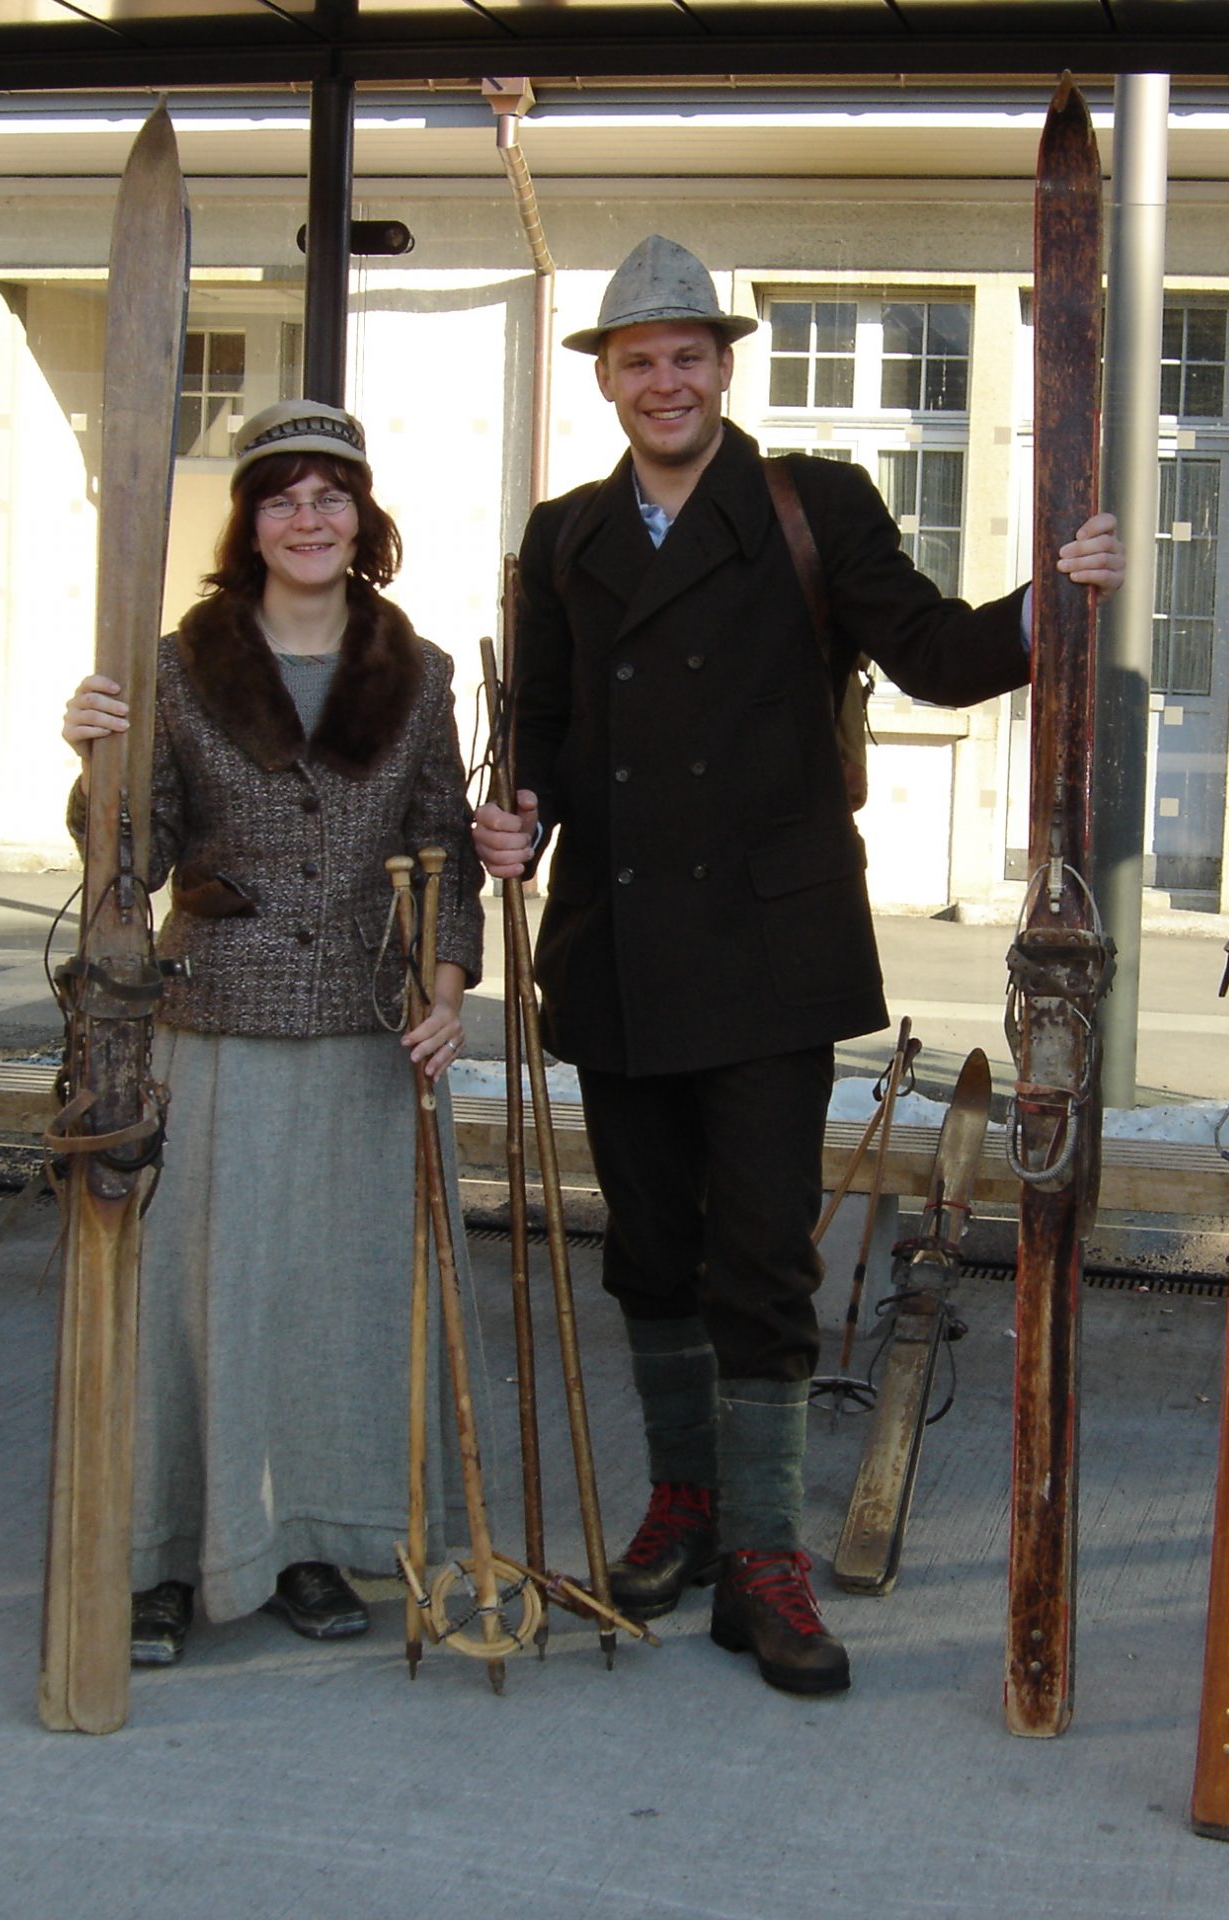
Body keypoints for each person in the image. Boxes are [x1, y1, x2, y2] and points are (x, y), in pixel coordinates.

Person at [471, 233, 1121, 1696]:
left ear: (723, 365)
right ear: (608, 381)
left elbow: (939, 653)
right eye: (639, 361)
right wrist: (514, 815)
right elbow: (550, 739)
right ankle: (685, 1508)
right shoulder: (563, 534)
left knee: (761, 1255)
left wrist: (1052, 600)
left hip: (767, 945)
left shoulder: (811, 504)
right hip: (616, 947)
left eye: (688, 355)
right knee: (647, 1251)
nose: (665, 381)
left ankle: (763, 1557)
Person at [61, 399, 483, 1668]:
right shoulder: (178, 669)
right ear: (248, 521)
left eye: (331, 494)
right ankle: (159, 1561)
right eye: (282, 495)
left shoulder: (415, 675)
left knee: (336, 1305)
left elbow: (446, 848)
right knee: (197, 1302)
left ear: (364, 518)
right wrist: (94, 760)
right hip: (216, 1022)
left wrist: (448, 985)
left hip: (368, 1029)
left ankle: (305, 1541)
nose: (309, 517)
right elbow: (126, 856)